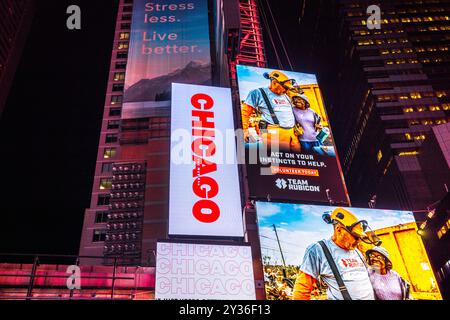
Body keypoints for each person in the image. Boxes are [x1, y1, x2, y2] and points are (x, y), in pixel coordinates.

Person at [293, 207, 381, 300]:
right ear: (338, 229)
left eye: (359, 237)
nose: (358, 241)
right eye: (355, 236)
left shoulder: (356, 250)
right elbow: (302, 289)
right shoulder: (318, 250)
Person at [241, 70, 301, 152]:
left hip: (291, 135)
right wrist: (245, 130)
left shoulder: (285, 96)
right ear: (274, 83)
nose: (286, 90)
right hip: (273, 134)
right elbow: (244, 113)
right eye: (285, 88)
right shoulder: (258, 93)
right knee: (275, 161)